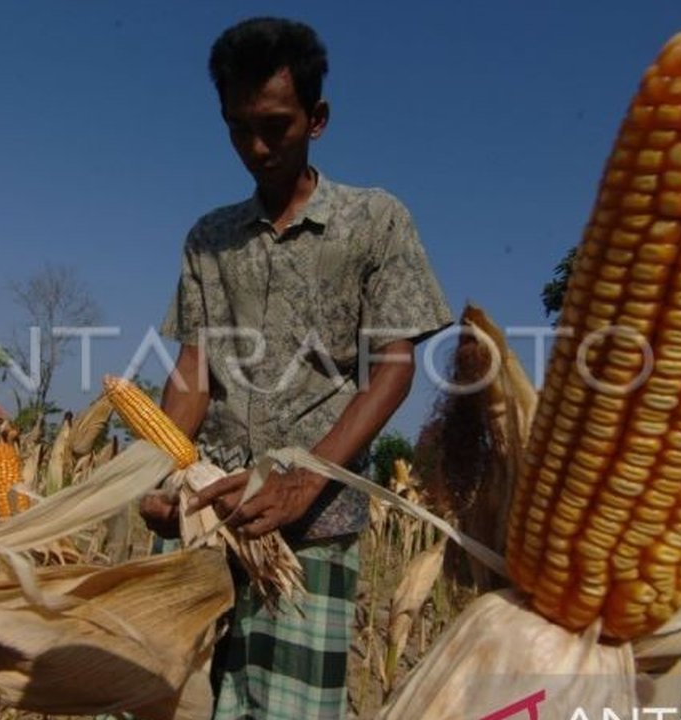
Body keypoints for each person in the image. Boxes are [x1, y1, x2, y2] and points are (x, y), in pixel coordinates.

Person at [143, 16, 454, 719]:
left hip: (312, 524)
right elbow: (194, 370)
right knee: (178, 699)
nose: (255, 148)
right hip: (210, 512)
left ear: (317, 119)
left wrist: (304, 480)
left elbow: (393, 369)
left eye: (275, 126)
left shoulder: (374, 221)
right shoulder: (210, 238)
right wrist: (160, 472)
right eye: (236, 127)